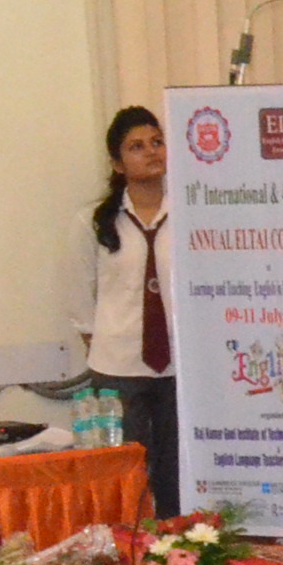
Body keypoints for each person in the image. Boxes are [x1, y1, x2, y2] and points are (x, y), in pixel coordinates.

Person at [80, 105, 180, 514]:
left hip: (179, 366)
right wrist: (102, 343)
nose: (152, 151)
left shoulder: (190, 214)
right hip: (118, 365)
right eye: (137, 147)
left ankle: (179, 540)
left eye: (157, 142)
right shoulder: (94, 221)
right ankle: (132, 543)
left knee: (178, 469)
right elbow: (78, 294)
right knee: (128, 472)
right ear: (117, 164)